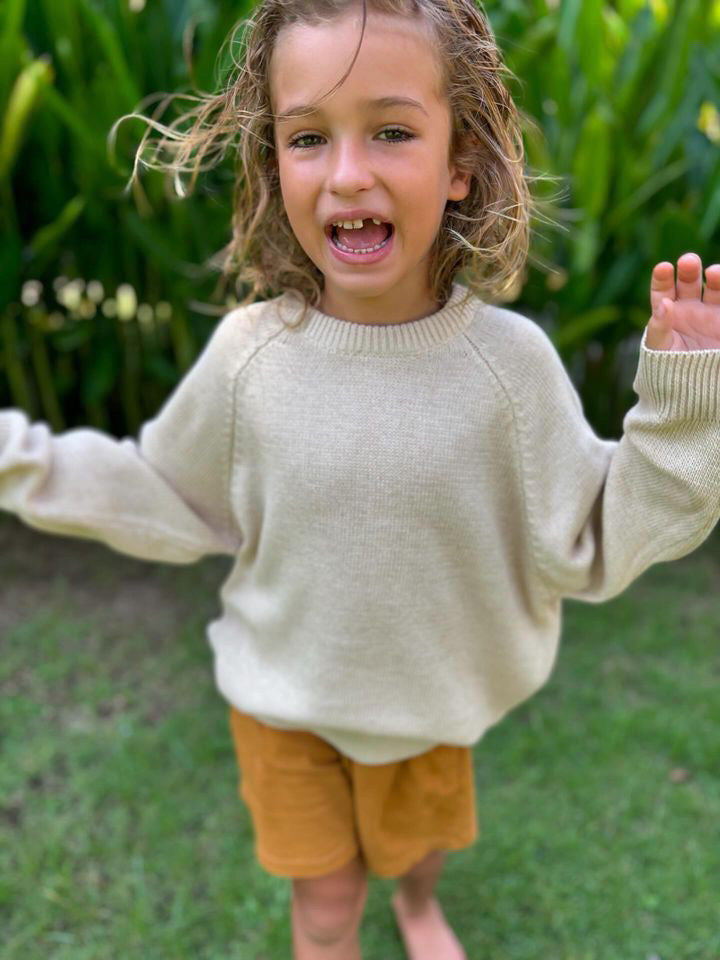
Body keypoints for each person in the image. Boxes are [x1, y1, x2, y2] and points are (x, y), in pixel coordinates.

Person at [3, 1, 720, 958]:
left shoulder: (510, 368)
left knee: (416, 857)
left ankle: (421, 907)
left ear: (460, 163)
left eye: (391, 130)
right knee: (326, 905)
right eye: (309, 137)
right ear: (275, 165)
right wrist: (16, 452)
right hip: (283, 708)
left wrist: (683, 400)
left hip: (433, 711)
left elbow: (601, 535)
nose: (348, 174)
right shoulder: (250, 357)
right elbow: (159, 490)